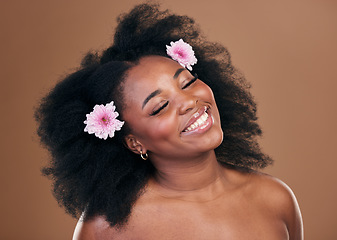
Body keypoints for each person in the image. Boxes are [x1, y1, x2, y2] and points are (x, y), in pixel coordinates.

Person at [35, 3, 303, 239]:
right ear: (134, 142)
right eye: (161, 106)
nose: (189, 102)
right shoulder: (105, 229)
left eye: (187, 82)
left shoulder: (276, 198)